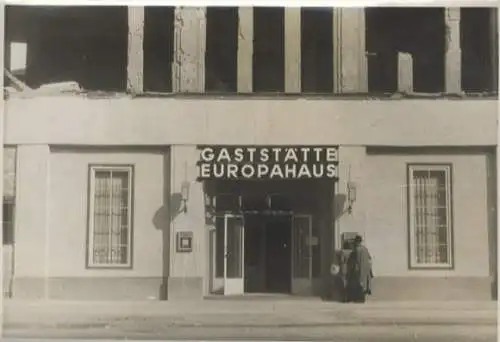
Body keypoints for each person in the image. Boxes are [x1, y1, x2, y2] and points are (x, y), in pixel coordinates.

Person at [346, 235, 373, 303]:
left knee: (357, 284)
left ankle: (357, 299)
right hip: (365, 270)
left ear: (357, 242)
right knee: (363, 285)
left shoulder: (356, 250)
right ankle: (361, 299)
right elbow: (369, 259)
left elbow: (354, 261)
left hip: (358, 270)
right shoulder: (365, 249)